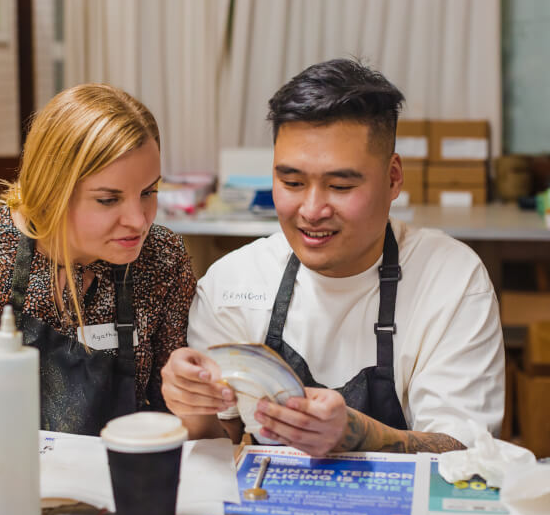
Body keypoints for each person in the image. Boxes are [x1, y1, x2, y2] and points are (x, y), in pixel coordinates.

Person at [161, 59, 504, 456]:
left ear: (393, 178)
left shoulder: (453, 281)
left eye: (340, 186)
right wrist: (195, 409)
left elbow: (464, 451)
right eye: (292, 182)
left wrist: (356, 434)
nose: (311, 210)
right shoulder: (233, 283)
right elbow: (223, 441)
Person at [0, 84, 196, 434]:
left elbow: (178, 418)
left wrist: (199, 398)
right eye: (108, 200)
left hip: (115, 464)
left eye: (149, 192)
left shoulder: (161, 257)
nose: (138, 221)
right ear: (52, 189)